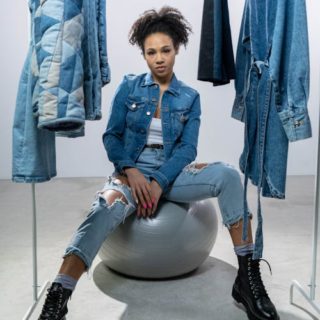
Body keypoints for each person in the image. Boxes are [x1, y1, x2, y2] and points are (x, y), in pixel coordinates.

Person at [38, 6, 279, 320]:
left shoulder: (189, 96)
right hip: (131, 172)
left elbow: (187, 151)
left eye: (165, 50)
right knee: (103, 208)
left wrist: (159, 181)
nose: (159, 58)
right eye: (151, 52)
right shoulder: (129, 87)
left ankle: (247, 278)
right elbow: (112, 137)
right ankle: (58, 296)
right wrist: (133, 171)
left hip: (173, 173)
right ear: (144, 55)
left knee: (230, 176)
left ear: (176, 48)